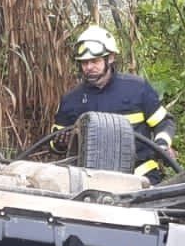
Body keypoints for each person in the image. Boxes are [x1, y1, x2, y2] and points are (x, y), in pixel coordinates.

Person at [52, 25, 175, 178]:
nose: (89, 67)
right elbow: (54, 143)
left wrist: (162, 144)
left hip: (141, 177)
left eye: (94, 61)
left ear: (110, 58)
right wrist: (61, 142)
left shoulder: (137, 88)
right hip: (88, 180)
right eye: (84, 63)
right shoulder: (71, 100)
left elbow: (164, 122)